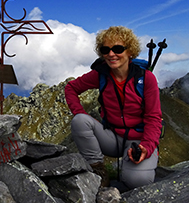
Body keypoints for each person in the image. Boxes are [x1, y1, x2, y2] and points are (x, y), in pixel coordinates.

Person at [65, 26, 162, 189]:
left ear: (130, 51)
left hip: (138, 140)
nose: (111, 54)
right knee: (80, 121)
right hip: (111, 136)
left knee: (138, 182)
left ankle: (132, 170)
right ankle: (98, 170)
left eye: (117, 48)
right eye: (105, 49)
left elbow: (153, 118)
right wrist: (80, 113)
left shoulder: (146, 78)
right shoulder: (100, 74)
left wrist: (146, 146)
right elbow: (71, 88)